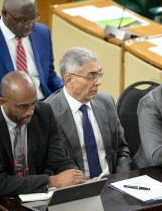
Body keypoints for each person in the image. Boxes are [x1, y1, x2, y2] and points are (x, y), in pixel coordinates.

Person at [0, 71, 86, 211]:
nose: (30, 112)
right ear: (3, 102)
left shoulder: (44, 113)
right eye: (23, 107)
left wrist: (79, 180)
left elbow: (59, 160)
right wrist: (51, 181)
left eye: (33, 103)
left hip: (33, 200)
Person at [45, 47, 132, 179]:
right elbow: (49, 166)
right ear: (69, 80)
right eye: (91, 77)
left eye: (99, 75)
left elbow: (121, 150)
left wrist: (120, 179)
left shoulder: (106, 101)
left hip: (112, 182)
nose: (98, 82)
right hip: (75, 190)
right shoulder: (48, 113)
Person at [0, 0, 63, 112]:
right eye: (22, 21)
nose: (29, 26)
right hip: (10, 113)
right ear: (5, 14)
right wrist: (7, 114)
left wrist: (68, 92)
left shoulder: (42, 33)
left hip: (45, 105)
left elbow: (50, 76)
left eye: (33, 18)